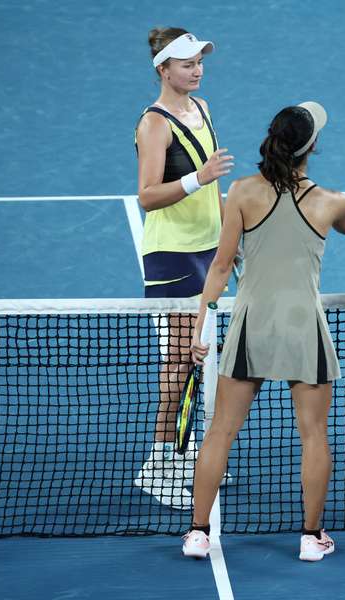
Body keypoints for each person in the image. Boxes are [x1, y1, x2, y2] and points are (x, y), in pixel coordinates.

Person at [180, 102, 345, 562]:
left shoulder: (241, 193)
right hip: (304, 328)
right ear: (311, 149)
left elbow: (222, 267)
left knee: (220, 432)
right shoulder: (328, 200)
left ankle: (197, 532)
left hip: (252, 327)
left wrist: (201, 325)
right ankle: (311, 537)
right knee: (314, 435)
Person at [133, 27, 235, 509]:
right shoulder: (155, 124)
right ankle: (159, 464)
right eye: (186, 63)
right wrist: (199, 178)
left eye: (199, 62)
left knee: (204, 359)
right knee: (179, 361)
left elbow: (212, 187)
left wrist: (228, 239)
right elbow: (148, 196)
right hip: (172, 254)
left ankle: (185, 451)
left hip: (208, 248)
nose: (196, 70)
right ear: (163, 69)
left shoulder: (203, 108)